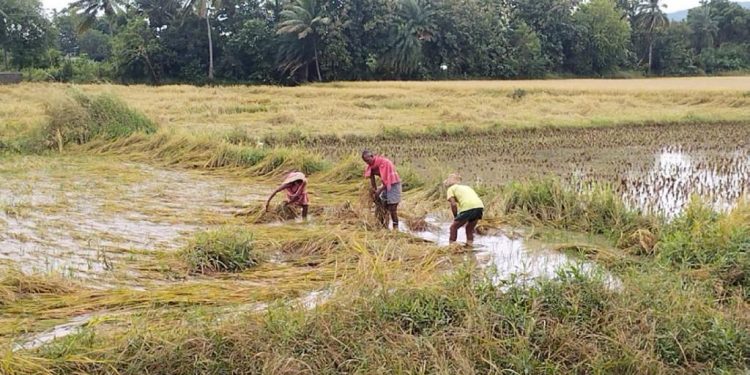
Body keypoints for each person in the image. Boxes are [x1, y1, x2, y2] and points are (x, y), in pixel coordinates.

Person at [362, 150, 401, 230]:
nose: (367, 163)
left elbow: (388, 179)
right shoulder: (371, 166)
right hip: (385, 184)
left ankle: (395, 228)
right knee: (383, 205)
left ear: (372, 156)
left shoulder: (384, 163)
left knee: (392, 208)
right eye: (365, 161)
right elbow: (372, 178)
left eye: (368, 160)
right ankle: (383, 225)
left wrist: (379, 191)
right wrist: (374, 190)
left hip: (393, 183)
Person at [443, 173, 484, 246]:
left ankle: (451, 247)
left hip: (468, 207)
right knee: (469, 229)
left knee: (453, 228)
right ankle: (470, 246)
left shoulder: (450, 189)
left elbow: (453, 204)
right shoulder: (467, 187)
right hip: (479, 207)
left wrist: (456, 217)